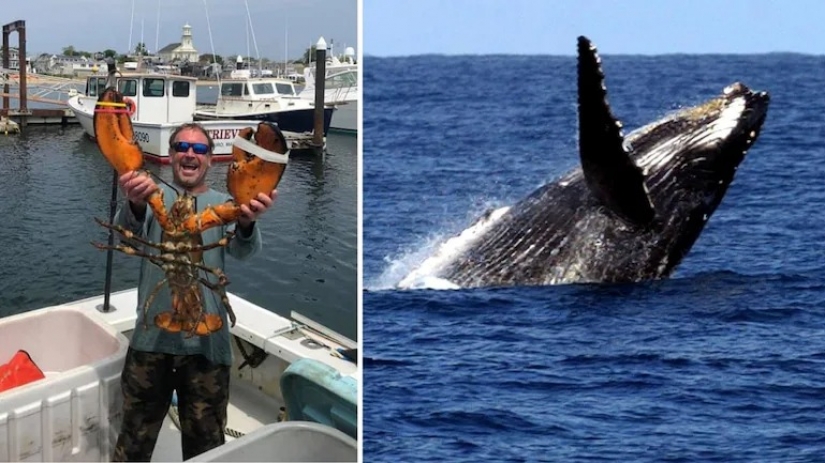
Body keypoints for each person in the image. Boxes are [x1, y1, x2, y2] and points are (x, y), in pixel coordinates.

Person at [111, 122, 277, 462]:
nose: (190, 154)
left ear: (211, 160)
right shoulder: (153, 193)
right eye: (182, 147)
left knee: (206, 450)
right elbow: (125, 235)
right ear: (170, 156)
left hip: (207, 348)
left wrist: (246, 221)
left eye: (199, 149)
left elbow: (243, 252)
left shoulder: (227, 202)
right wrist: (135, 203)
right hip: (150, 343)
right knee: (132, 444)